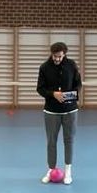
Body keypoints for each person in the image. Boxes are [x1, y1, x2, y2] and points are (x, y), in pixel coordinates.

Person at [36, 41, 82, 184]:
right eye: (55, 56)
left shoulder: (71, 65)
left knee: (69, 140)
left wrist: (70, 96)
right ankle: (51, 169)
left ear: (64, 54)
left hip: (70, 110)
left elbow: (78, 85)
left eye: (60, 56)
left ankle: (68, 171)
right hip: (51, 111)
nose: (57, 59)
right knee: (51, 141)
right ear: (51, 54)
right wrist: (52, 94)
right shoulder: (44, 67)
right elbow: (40, 88)